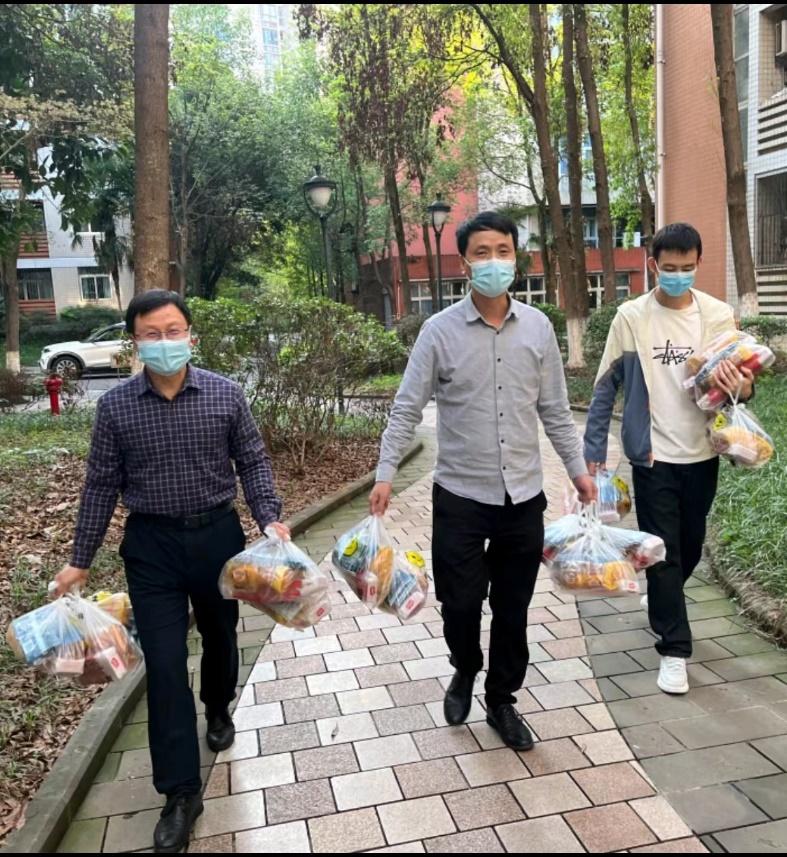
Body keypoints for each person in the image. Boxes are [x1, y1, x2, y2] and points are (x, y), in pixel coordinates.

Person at [54, 289, 288, 853]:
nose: (164, 342)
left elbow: (252, 460)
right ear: (134, 343)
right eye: (151, 334)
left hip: (217, 537)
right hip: (151, 546)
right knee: (163, 665)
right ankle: (180, 792)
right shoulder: (116, 408)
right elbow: (101, 486)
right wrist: (79, 559)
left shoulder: (226, 394)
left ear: (191, 336)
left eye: (173, 331)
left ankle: (218, 705)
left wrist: (269, 517)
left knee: (220, 635)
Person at [369, 211, 596, 750]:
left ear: (516, 256)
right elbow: (406, 408)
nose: (494, 261)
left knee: (513, 609)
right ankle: (465, 666)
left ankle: (501, 700)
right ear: (465, 262)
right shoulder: (439, 332)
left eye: (503, 251)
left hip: (524, 497)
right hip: (460, 496)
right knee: (461, 603)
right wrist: (385, 474)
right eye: (482, 253)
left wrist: (578, 470)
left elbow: (556, 410)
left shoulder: (538, 328)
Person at [584, 223, 753, 695]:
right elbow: (605, 386)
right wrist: (593, 453)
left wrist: (740, 385)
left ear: (698, 264)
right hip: (652, 455)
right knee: (664, 551)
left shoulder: (717, 315)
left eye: (687, 267)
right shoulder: (631, 317)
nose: (678, 275)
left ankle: (665, 596)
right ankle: (674, 650)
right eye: (669, 268)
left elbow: (742, 385)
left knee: (690, 543)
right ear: (654, 265)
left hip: (703, 450)